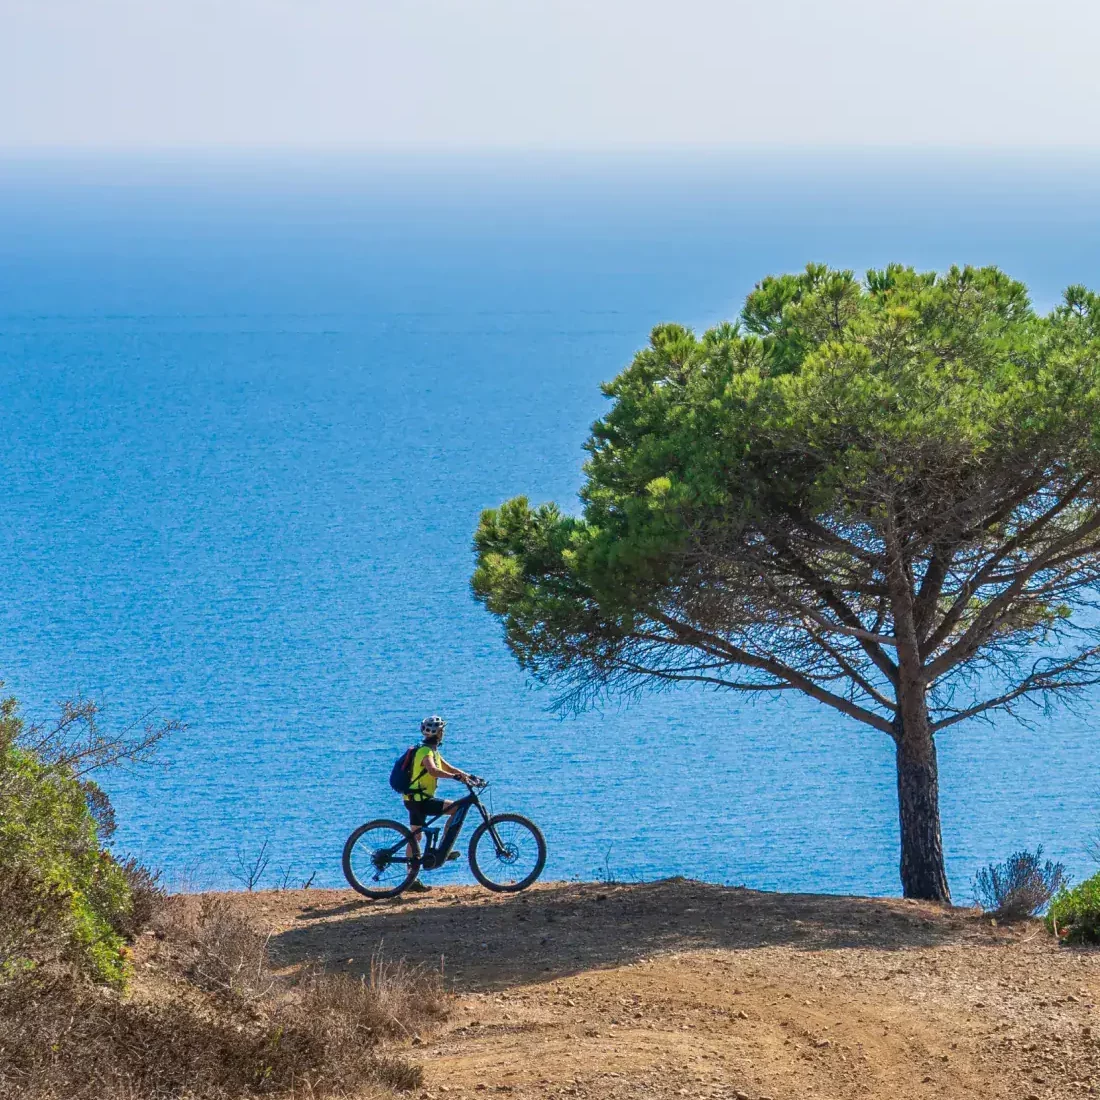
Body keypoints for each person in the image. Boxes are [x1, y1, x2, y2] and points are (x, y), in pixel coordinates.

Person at [404, 715, 479, 891]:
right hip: (418, 800)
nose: (444, 733)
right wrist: (454, 777)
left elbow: (448, 767)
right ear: (437, 733)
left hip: (419, 799)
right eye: (442, 730)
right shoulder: (425, 752)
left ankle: (441, 852)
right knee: (456, 808)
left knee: (417, 836)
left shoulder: (433, 750)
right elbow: (433, 770)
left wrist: (468, 777)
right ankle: (440, 852)